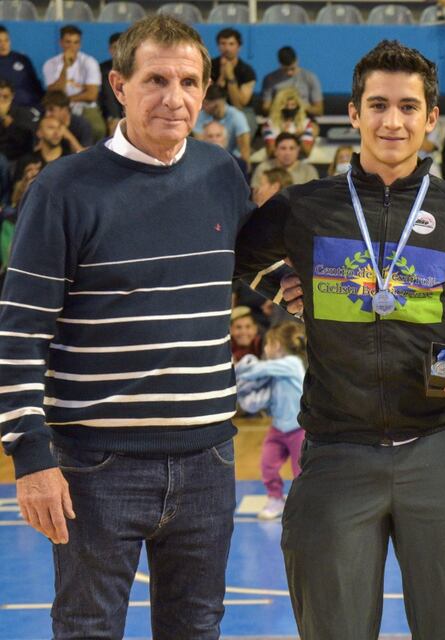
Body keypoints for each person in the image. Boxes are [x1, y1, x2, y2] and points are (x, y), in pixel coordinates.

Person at [234, 39, 445, 639]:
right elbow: (238, 260)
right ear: (353, 114)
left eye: (406, 107)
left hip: (438, 449)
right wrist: (281, 284)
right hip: (335, 454)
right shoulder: (305, 208)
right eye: (377, 105)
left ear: (429, 118)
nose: (391, 121)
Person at [0, 16, 258, 639]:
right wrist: (30, 456)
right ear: (118, 85)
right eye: (156, 80)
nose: (174, 97)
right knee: (88, 630)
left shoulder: (221, 171)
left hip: (209, 459)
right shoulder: (63, 188)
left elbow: (257, 269)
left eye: (189, 82)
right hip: (95, 466)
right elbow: (17, 334)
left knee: (197, 629)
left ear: (206, 89)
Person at [235, 321, 306, 520]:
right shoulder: (276, 373)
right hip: (277, 428)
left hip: (299, 429)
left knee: (299, 470)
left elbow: (258, 370)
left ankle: (304, 501)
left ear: (276, 346)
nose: (265, 349)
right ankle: (275, 498)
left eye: (267, 344)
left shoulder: (291, 364)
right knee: (267, 464)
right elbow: (263, 396)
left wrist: (240, 368)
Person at [42, 25, 104, 141]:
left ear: (80, 44)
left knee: (97, 129)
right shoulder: (50, 64)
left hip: (84, 107)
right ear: (61, 43)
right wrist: (65, 67)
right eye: (68, 42)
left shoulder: (90, 63)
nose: (72, 46)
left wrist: (66, 100)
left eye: (76, 42)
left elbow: (91, 95)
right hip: (58, 108)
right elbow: (54, 93)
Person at [195, 84, 250, 168]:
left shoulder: (237, 116)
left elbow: (244, 149)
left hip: (232, 159)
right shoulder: (200, 116)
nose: (202, 106)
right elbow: (198, 146)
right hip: (206, 159)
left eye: (205, 103)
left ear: (218, 103)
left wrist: (245, 170)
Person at [261, 46, 323, 116]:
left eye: (292, 68)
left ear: (297, 60)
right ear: (279, 64)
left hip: (304, 119)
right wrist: (281, 107)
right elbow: (265, 108)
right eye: (285, 70)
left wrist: (301, 106)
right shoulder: (270, 79)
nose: (289, 73)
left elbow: (319, 111)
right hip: (279, 120)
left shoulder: (310, 78)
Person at [261, 86, 317, 157]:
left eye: (293, 105)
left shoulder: (305, 124)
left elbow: (306, 152)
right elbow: (271, 152)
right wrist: (285, 136)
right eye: (285, 105)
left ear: (298, 106)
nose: (289, 108)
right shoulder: (270, 124)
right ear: (278, 106)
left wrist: (299, 137)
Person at [210, 27, 256, 114]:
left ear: (239, 47)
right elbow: (209, 99)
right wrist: (222, 77)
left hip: (242, 112)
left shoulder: (247, 71)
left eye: (231, 44)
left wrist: (230, 76)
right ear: (218, 46)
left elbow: (239, 105)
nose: (227, 48)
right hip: (212, 111)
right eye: (223, 44)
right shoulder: (210, 66)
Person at [251, 132, 318, 189]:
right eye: (283, 148)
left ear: (298, 150)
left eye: (292, 148)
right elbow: (256, 195)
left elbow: (314, 199)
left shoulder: (309, 171)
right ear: (275, 151)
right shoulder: (263, 168)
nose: (287, 153)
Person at [0, 25, 43, 110]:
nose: (3, 44)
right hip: (8, 109)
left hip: (32, 106)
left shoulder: (22, 59)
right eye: (0, 41)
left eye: (6, 40)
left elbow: (36, 85)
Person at [99, 32, 123, 136]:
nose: (118, 52)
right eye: (115, 48)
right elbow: (105, 96)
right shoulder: (102, 69)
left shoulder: (137, 68)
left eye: (121, 47)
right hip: (108, 112)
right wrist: (113, 117)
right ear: (110, 50)